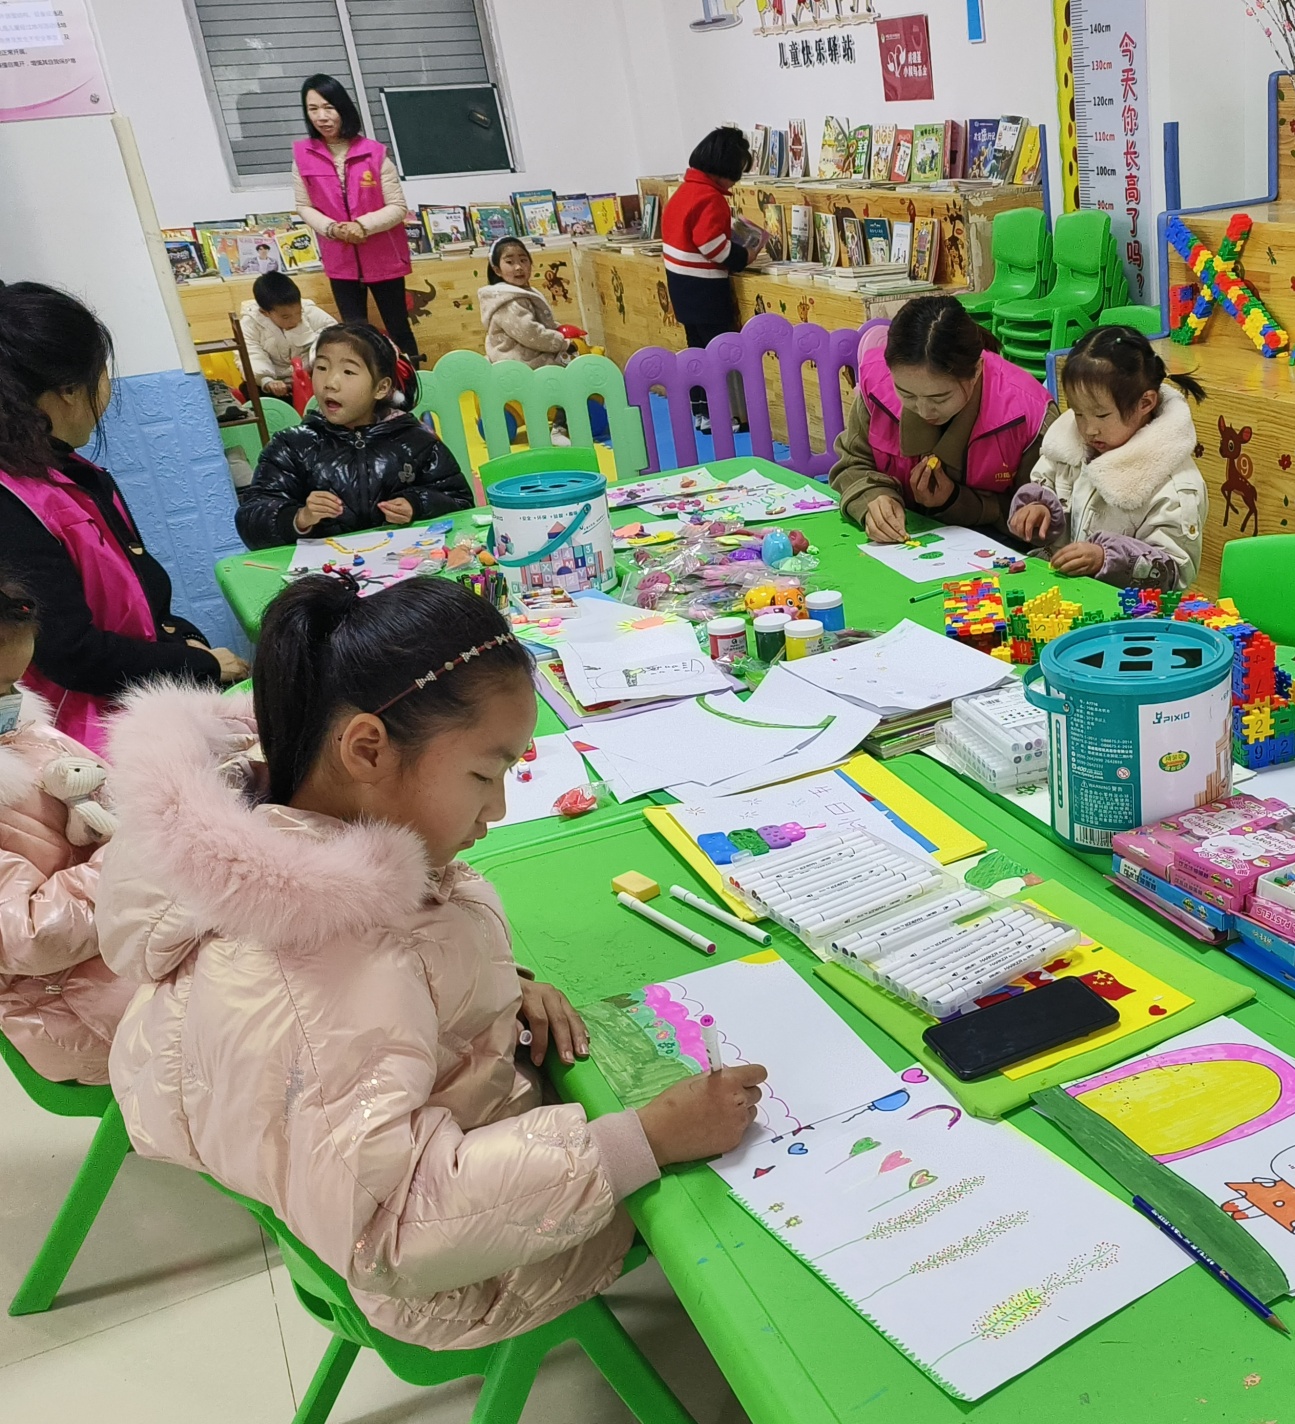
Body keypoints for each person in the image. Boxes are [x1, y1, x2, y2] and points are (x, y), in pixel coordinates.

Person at [103, 576, 768, 1351]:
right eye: (485, 775)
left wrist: (499, 991)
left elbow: (384, 1017)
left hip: (413, 1166)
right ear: (366, 749)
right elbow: (392, 1225)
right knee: (729, 1217)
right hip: (453, 1276)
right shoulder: (328, 967)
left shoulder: (287, 853)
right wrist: (643, 1141)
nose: (499, 809)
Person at [0, 282, 245, 751]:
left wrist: (182, 645)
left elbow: (142, 600)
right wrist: (201, 665)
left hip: (139, 703)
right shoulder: (14, 506)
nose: (107, 390)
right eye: (102, 374)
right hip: (90, 743)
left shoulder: (72, 473)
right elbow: (72, 654)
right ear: (68, 390)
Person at [0, 577, 130, 1086]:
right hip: (74, 1013)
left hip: (116, 956)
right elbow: (30, 936)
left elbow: (105, 801)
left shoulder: (27, 734)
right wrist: (132, 857)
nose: (11, 702)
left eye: (14, 685)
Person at [831, 296, 1055, 543]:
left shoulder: (1027, 415)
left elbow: (1043, 517)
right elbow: (852, 463)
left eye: (940, 398)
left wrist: (955, 500)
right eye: (906, 394)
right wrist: (873, 496)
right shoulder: (877, 386)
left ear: (976, 372)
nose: (924, 410)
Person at [234, 323, 472, 549]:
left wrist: (417, 504)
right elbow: (251, 519)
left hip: (407, 568)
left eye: (348, 371)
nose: (330, 383)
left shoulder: (416, 442)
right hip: (324, 572)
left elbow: (460, 502)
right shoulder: (292, 446)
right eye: (322, 368)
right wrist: (299, 518)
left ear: (381, 388)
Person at [1005, 325, 1207, 587]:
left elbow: (1175, 573)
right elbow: (1045, 484)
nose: (1089, 429)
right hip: (1065, 594)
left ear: (1145, 403)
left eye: (1101, 415)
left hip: (1127, 608)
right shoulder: (1067, 445)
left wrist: (1107, 559)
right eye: (1078, 413)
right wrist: (1038, 509)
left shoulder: (1174, 485)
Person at [293, 74, 419, 362]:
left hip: (384, 258)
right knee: (355, 336)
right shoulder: (302, 156)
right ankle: (367, 387)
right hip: (341, 261)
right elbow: (303, 205)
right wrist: (332, 228)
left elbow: (397, 207)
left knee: (399, 329)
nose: (322, 117)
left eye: (329, 107)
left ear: (343, 108)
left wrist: (362, 226)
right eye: (313, 109)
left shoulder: (374, 153)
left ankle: (414, 384)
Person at [660, 127, 757, 432]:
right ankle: (723, 414)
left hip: (681, 287)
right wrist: (744, 255)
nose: (735, 181)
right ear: (724, 169)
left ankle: (702, 413)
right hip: (705, 290)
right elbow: (713, 246)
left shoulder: (683, 192)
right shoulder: (710, 198)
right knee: (719, 352)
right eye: (735, 174)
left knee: (696, 352)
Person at [478, 238, 572, 370]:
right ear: (497, 270)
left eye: (523, 260)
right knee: (570, 363)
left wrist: (558, 329)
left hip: (532, 351)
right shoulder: (508, 301)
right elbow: (530, 332)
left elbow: (540, 321)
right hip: (519, 362)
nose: (518, 267)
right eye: (510, 262)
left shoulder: (524, 291)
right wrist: (561, 342)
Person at [240, 269, 335, 399]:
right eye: (285, 317)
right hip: (275, 382)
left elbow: (334, 335)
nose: (295, 320)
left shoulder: (310, 311)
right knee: (249, 389)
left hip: (311, 378)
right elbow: (252, 354)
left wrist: (315, 368)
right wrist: (266, 381)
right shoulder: (250, 323)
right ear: (265, 312)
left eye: (298, 313)